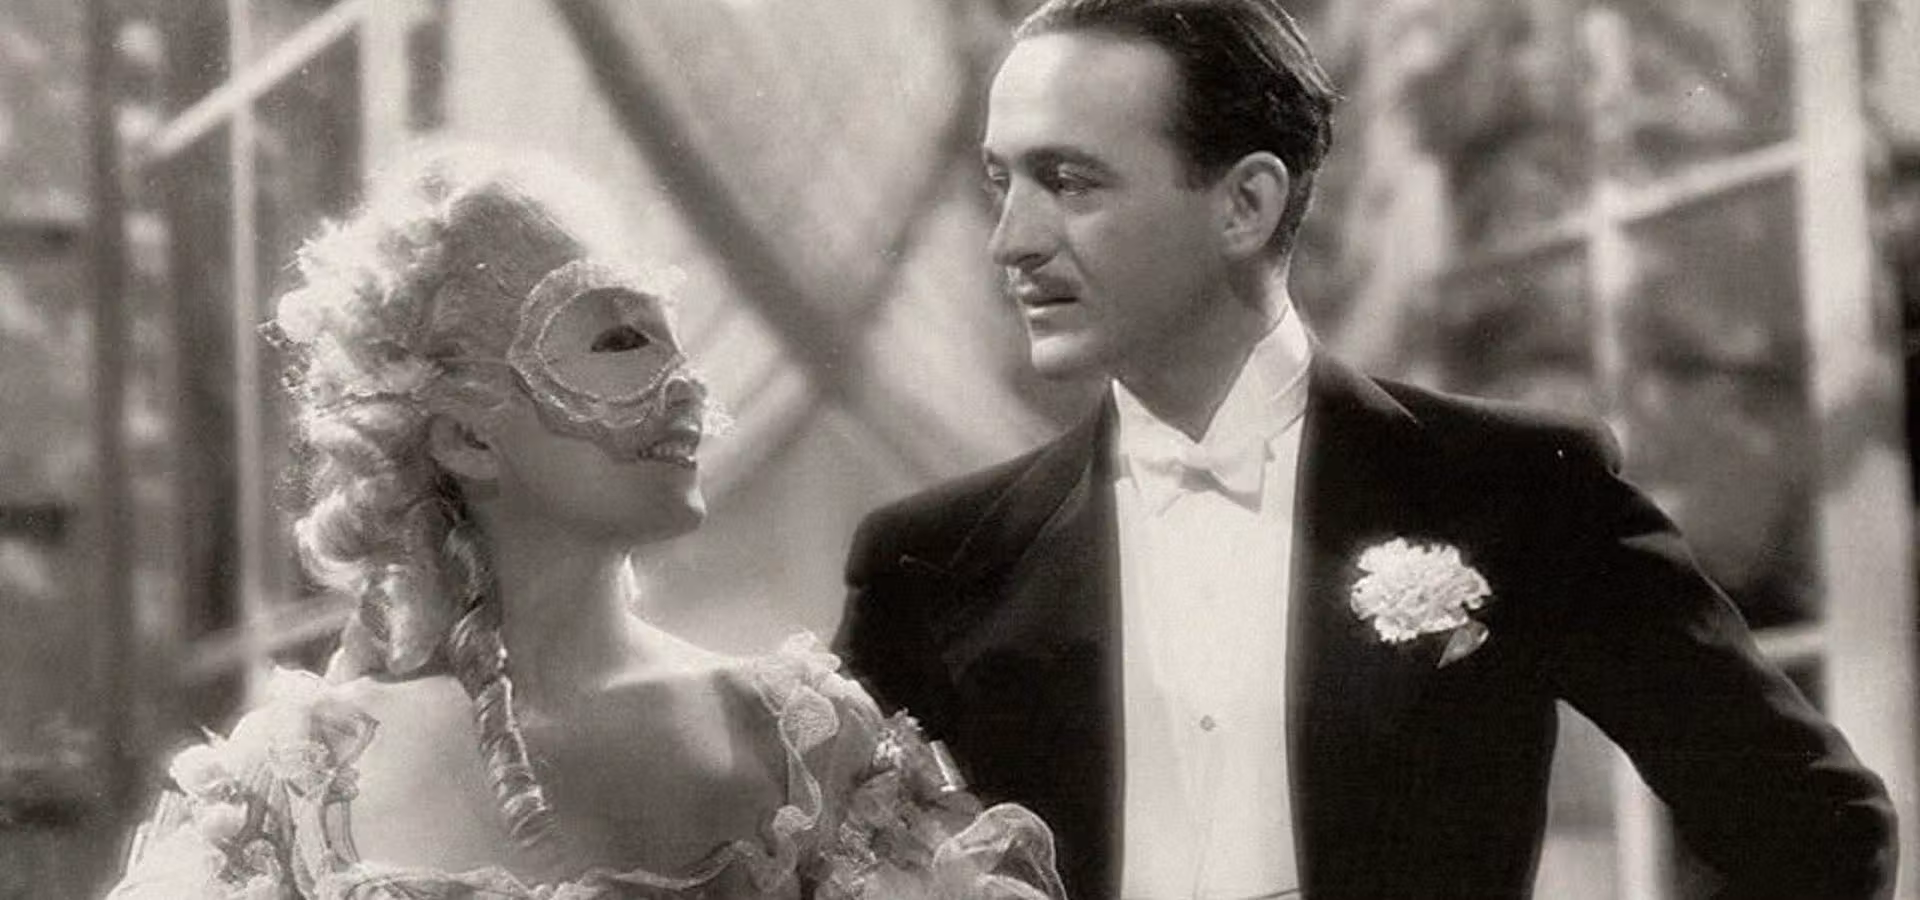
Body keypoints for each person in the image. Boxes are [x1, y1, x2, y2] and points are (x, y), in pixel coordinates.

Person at [835, 1, 1898, 897]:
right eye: (1001, 183)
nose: (1012, 240)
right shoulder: (928, 565)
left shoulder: (1517, 492)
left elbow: (1818, 829)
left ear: (1246, 204)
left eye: (1069, 181)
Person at [107, 147, 1065, 900]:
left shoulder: (807, 748)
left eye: (672, 338)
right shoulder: (292, 792)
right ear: (465, 439)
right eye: (619, 338)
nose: (686, 385)